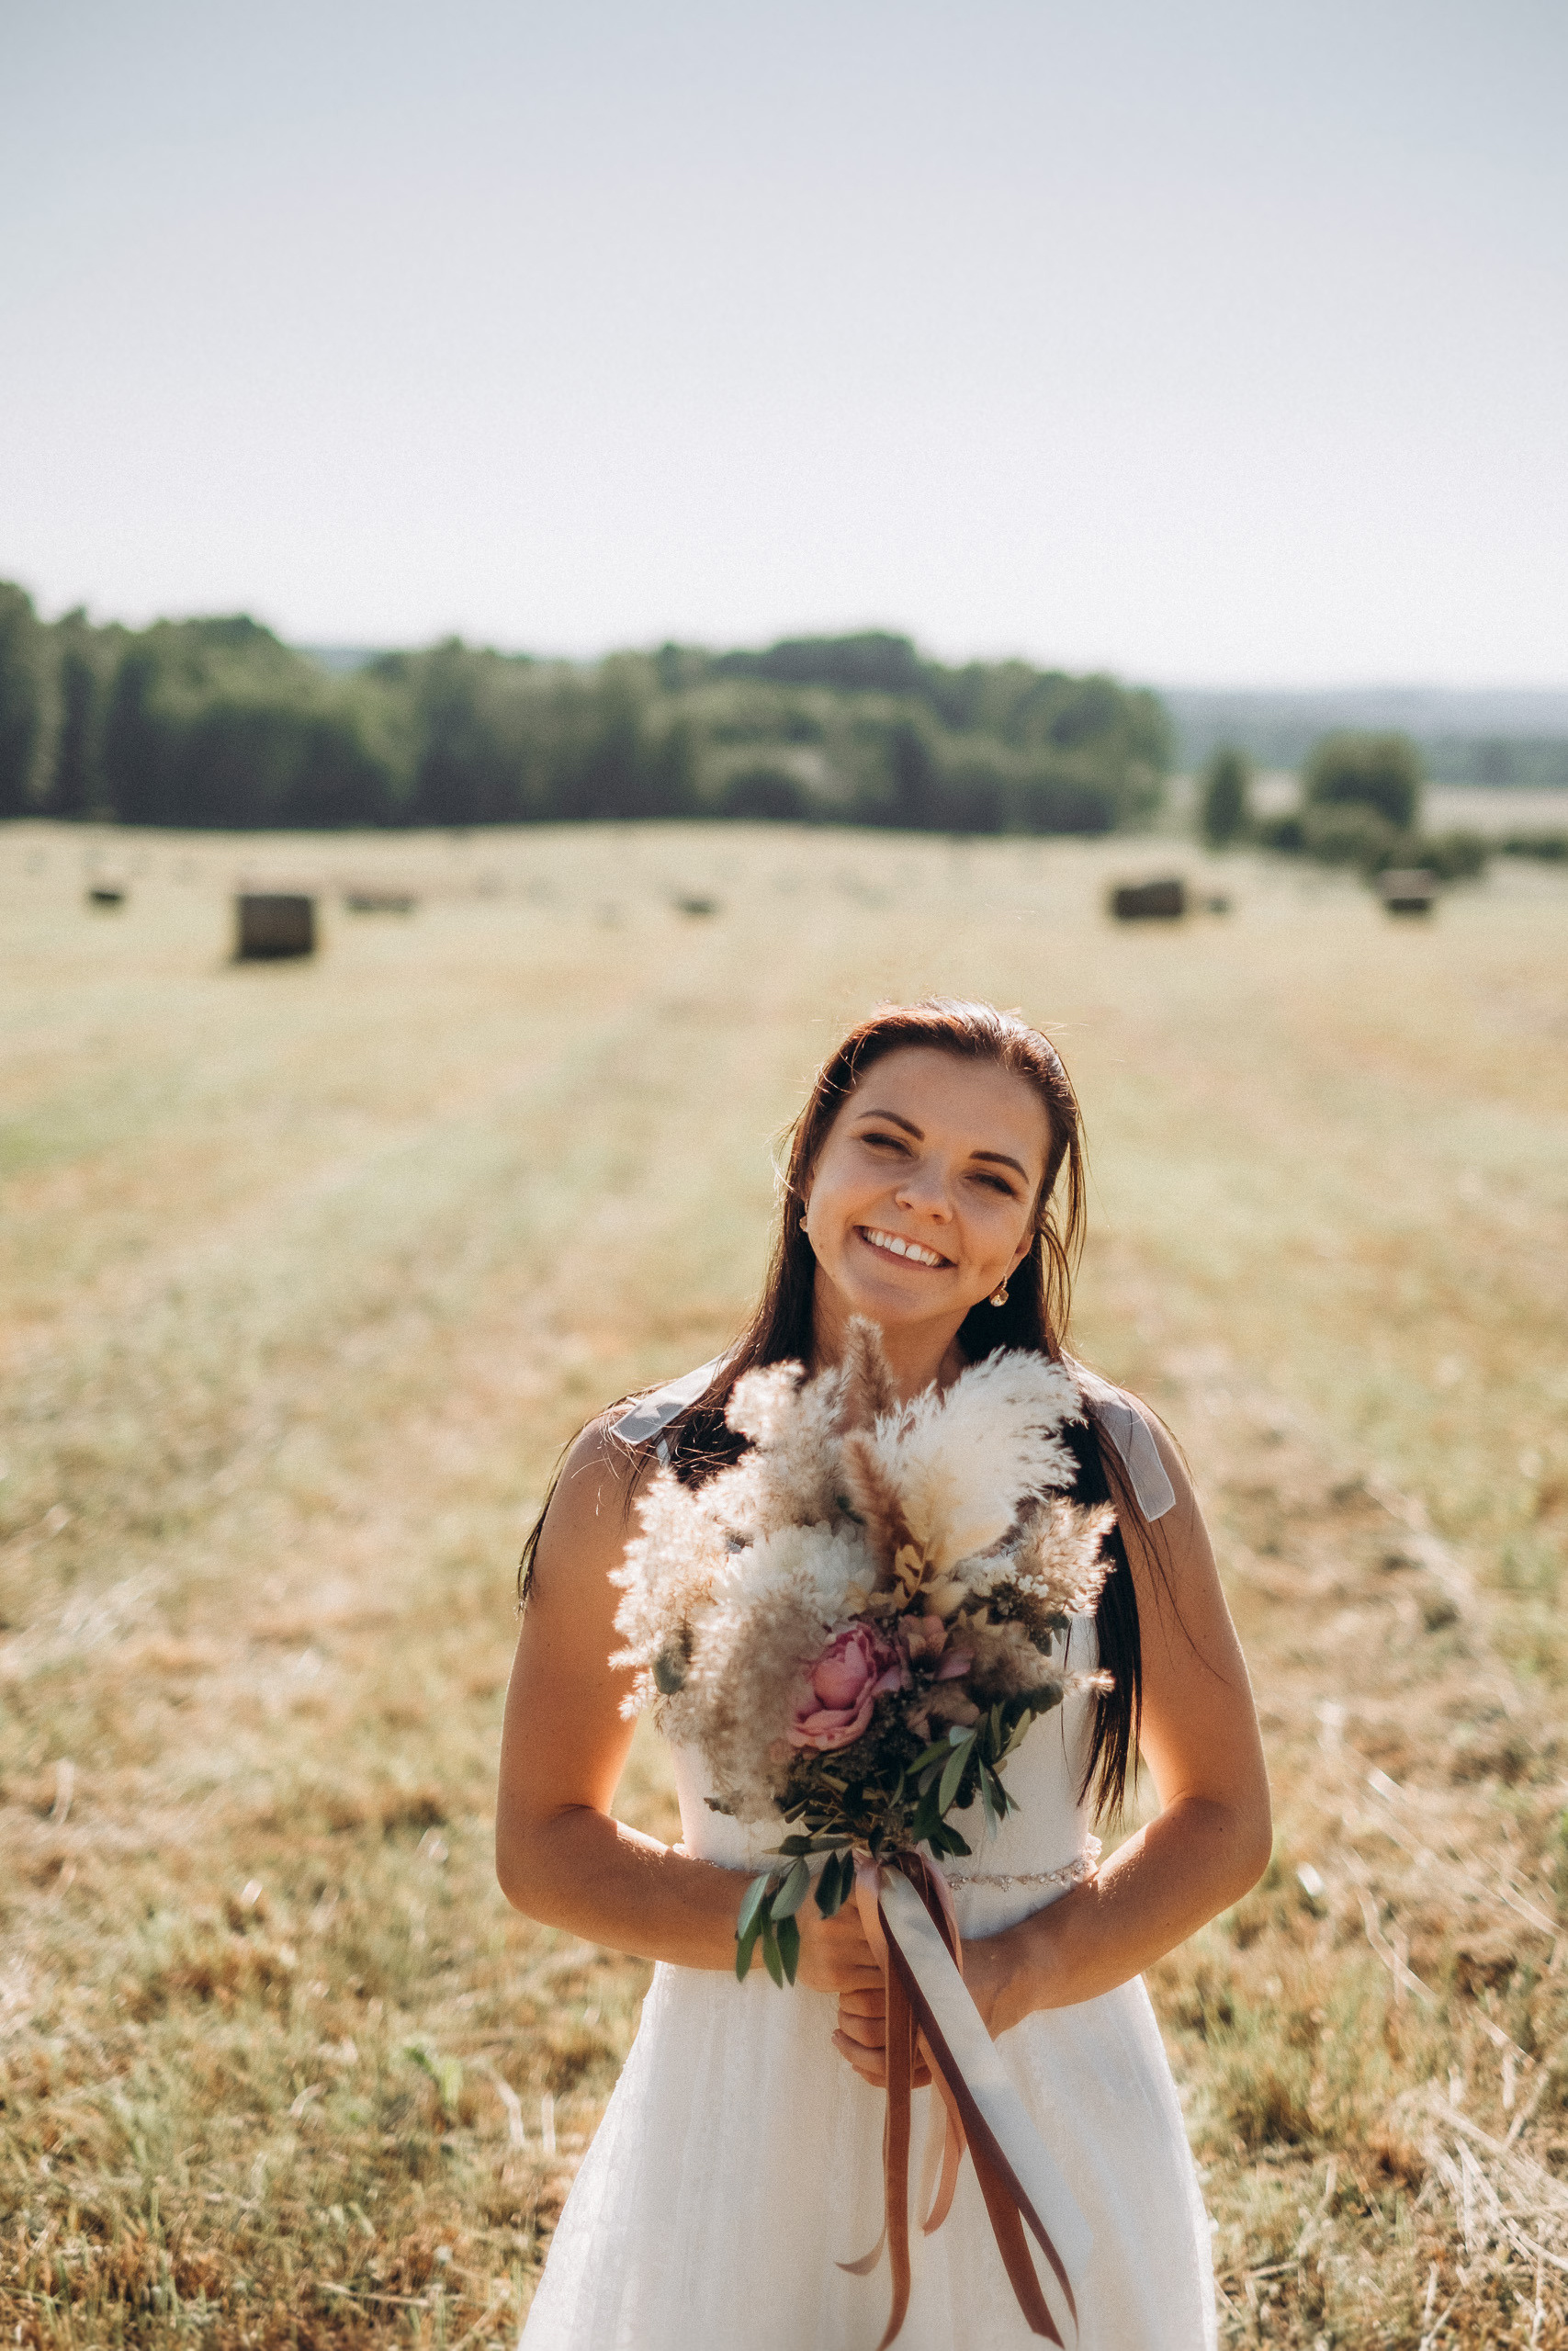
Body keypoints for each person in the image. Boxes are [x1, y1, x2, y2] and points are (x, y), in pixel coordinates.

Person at [497, 998, 1270, 2350]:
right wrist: (790, 1933)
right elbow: (544, 1846)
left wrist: (1024, 1971)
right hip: (751, 2090)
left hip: (1042, 2071)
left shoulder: (1111, 1463)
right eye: (890, 1145)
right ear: (808, 1164)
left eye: (989, 1178)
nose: (927, 1202)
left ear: (1021, 1240)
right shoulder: (639, 1468)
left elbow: (1226, 1822)